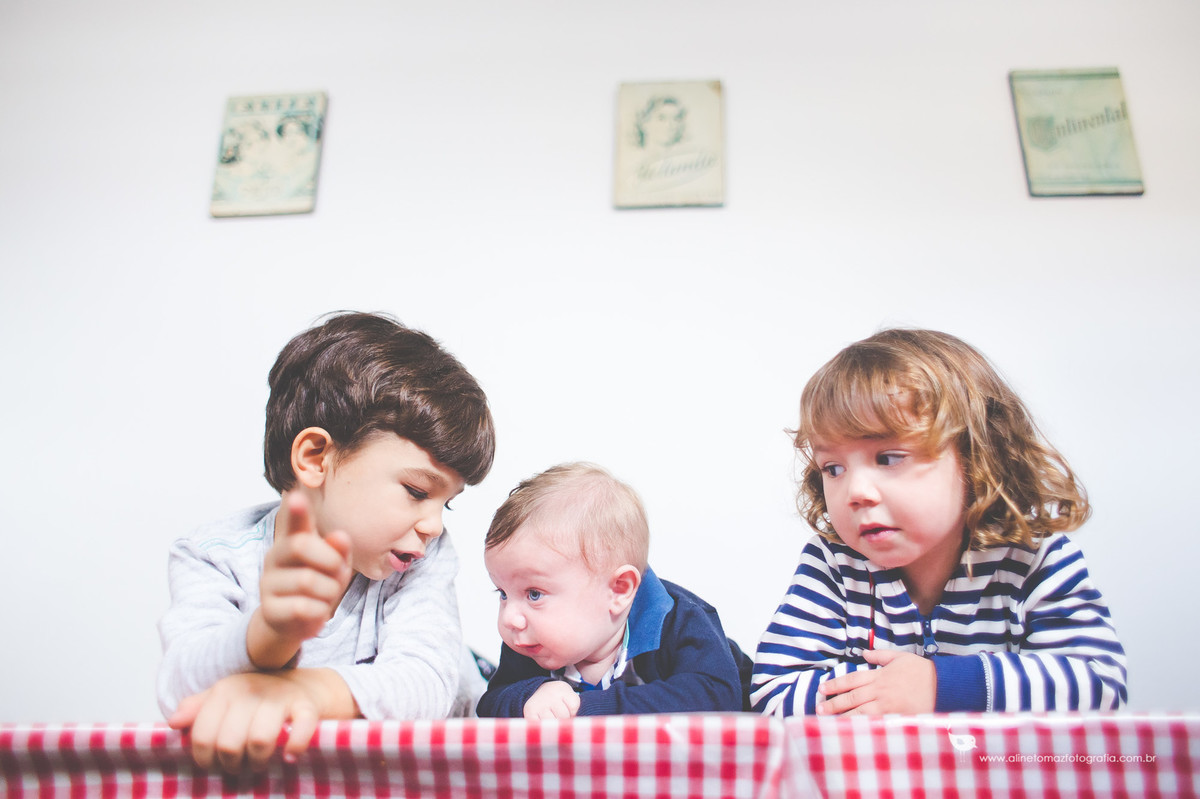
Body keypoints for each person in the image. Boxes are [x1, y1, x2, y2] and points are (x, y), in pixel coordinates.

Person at [157, 312, 496, 771]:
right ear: (316, 457)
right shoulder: (213, 555)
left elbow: (426, 684)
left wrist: (298, 690)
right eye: (417, 492)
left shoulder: (422, 558)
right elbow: (182, 689)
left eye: (446, 503)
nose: (433, 525)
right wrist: (270, 633)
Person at [751, 329, 1127, 716]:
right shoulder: (834, 564)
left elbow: (1099, 685)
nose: (855, 491)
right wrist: (886, 690)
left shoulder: (1034, 557)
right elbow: (773, 694)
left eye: (890, 457)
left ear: (977, 457)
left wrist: (940, 685)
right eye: (833, 468)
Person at [476, 463, 751, 718]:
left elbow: (717, 697)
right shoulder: (531, 640)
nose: (510, 618)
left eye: (534, 594)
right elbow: (490, 703)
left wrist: (585, 710)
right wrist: (531, 696)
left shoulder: (678, 620)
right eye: (502, 593)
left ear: (618, 591)